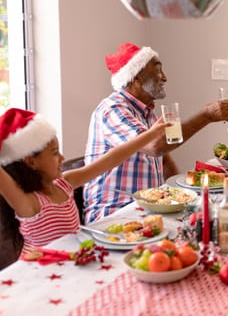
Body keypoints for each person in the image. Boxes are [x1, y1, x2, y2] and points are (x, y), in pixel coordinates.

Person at [84, 42, 228, 224]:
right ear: (137, 79)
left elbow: (163, 157)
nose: (164, 78)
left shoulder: (147, 112)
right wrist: (206, 116)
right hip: (114, 213)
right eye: (157, 71)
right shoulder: (113, 109)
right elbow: (155, 146)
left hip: (148, 208)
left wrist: (183, 195)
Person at [0, 108, 169, 267]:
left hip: (71, 264)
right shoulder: (29, 203)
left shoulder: (64, 184)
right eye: (54, 153)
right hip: (39, 274)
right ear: (31, 161)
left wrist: (151, 134)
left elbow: (111, 159)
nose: (62, 157)